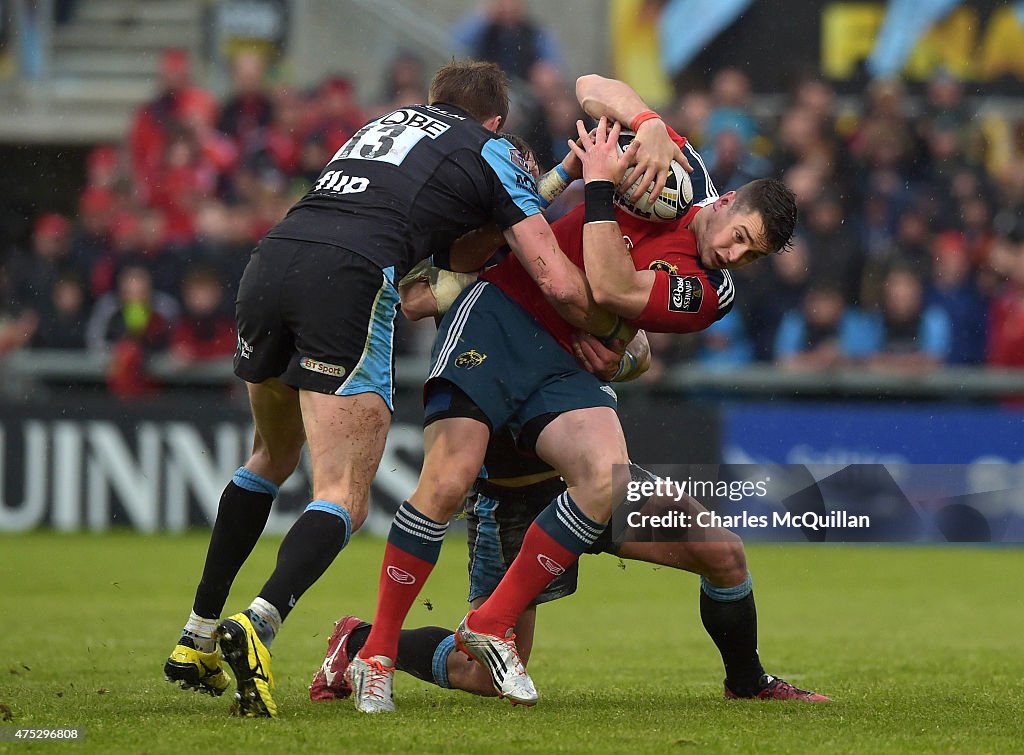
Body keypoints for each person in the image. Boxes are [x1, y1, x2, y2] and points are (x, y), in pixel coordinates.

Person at [161, 60, 623, 718]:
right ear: (495, 122)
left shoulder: (387, 127)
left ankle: (197, 632)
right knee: (344, 496)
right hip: (347, 279)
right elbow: (547, 271)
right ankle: (257, 626)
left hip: (273, 261)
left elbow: (466, 248)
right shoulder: (489, 147)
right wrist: (606, 322)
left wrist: (558, 178)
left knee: (270, 455)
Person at [346, 81, 799, 712]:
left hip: (563, 383)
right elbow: (591, 88)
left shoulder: (708, 291)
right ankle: (369, 648)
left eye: (751, 254)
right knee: (450, 484)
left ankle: (744, 682)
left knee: (717, 547)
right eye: (739, 234)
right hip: (501, 328)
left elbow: (610, 292)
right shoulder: (679, 167)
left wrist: (602, 186)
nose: (733, 254)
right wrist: (649, 123)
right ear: (722, 201)